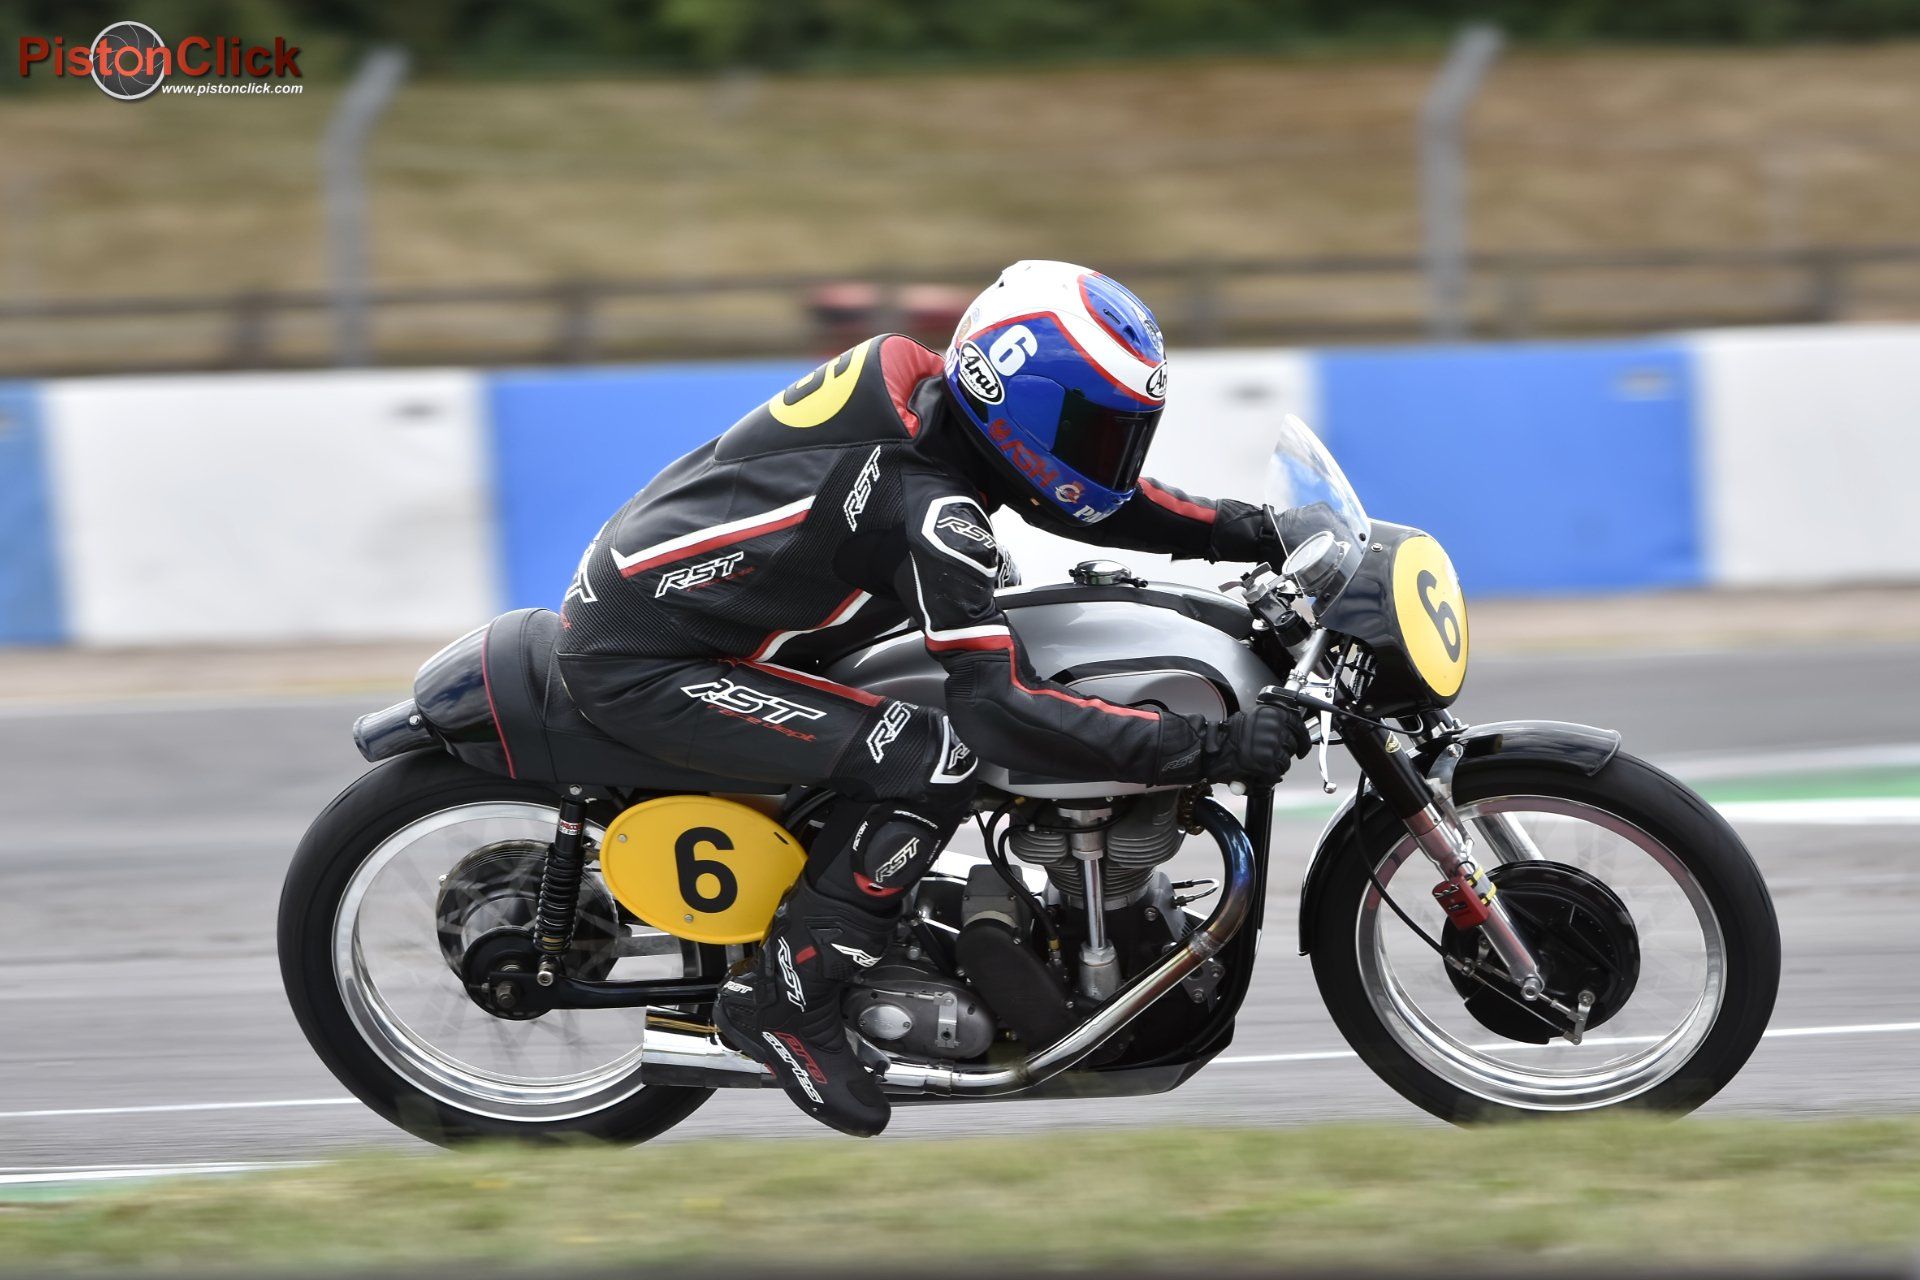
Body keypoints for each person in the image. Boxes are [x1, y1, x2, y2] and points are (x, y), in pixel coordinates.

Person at [555, 260, 1311, 1136]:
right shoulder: (932, 506)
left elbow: (1073, 498)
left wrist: (1253, 532)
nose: (1116, 455)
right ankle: (788, 999)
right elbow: (1000, 711)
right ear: (1020, 409)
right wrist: (1204, 748)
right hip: (650, 659)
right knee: (938, 751)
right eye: (1096, 433)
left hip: (696, 610)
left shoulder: (921, 390)